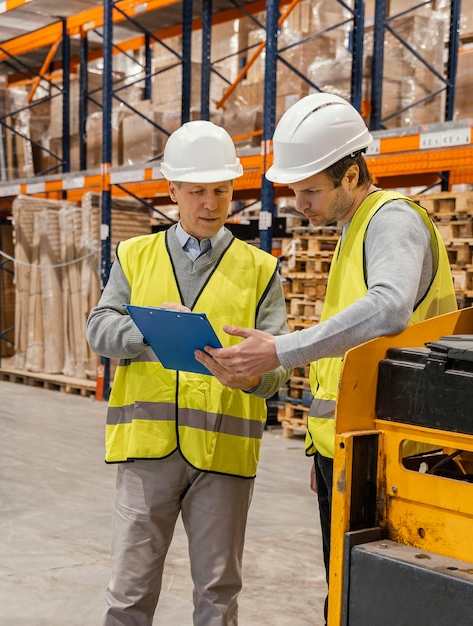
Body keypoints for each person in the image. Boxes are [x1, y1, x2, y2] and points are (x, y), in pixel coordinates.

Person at [197, 92, 458, 622]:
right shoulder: (352, 231)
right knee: (345, 590)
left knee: (367, 599)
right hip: (350, 451)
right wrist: (323, 452)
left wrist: (279, 351)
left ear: (353, 175)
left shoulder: (390, 221)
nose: (299, 202)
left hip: (394, 454)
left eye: (310, 189)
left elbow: (388, 309)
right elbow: (348, 360)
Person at [86, 119, 291, 626]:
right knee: (129, 591)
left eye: (220, 190)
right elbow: (99, 328)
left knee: (218, 595)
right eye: (196, 191)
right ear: (173, 190)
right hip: (148, 449)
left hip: (223, 455)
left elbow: (277, 366)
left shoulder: (261, 269)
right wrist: (149, 332)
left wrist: (252, 376)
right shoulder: (134, 256)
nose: (210, 203)